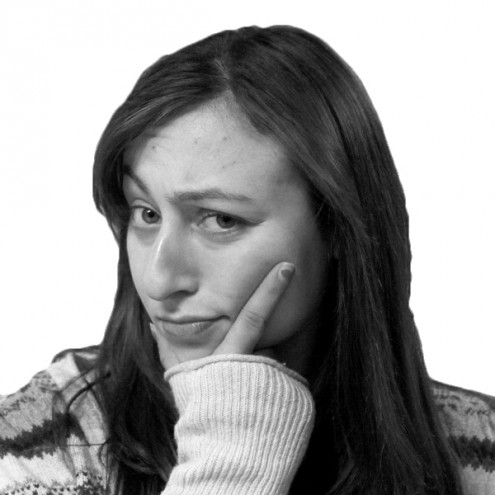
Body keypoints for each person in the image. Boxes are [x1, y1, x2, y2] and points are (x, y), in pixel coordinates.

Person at [0, 24, 494, 495]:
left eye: (220, 220)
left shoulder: (482, 451)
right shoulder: (38, 444)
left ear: (338, 226)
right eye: (146, 213)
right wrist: (230, 456)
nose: (159, 278)